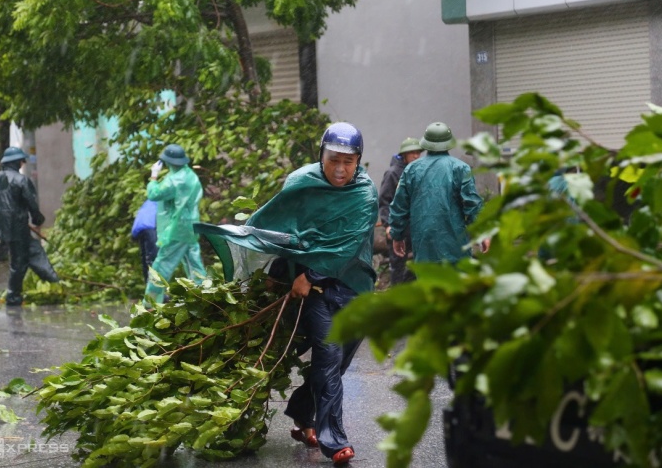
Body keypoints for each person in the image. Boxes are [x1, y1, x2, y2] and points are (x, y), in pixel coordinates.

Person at [192, 122, 378, 465]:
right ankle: (335, 441)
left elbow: (348, 246)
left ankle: (302, 414)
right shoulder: (302, 183)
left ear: (359, 162)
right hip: (319, 290)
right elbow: (283, 227)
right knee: (327, 357)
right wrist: (279, 272)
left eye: (348, 162)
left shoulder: (364, 196)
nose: (340, 169)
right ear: (320, 155)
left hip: (354, 287)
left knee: (338, 364)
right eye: (333, 160)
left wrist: (311, 272)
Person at [389, 122, 489, 264]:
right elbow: (472, 204)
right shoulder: (461, 169)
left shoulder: (411, 170)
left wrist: (397, 235)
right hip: (455, 244)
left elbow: (399, 206)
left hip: (423, 244)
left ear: (425, 143)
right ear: (449, 143)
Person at [0, 146, 59, 306]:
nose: (23, 164)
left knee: (34, 251)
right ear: (16, 162)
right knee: (19, 261)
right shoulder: (21, 180)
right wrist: (37, 219)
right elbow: (31, 203)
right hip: (18, 227)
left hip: (4, 229)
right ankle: (13, 297)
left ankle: (54, 280)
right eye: (21, 161)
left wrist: (0, 215)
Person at [144, 144, 206, 303]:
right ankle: (205, 296)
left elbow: (154, 194)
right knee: (194, 263)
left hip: (176, 228)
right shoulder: (192, 176)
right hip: (191, 226)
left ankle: (150, 302)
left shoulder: (173, 181)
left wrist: (154, 176)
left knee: (162, 264)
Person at [378, 137, 423, 285]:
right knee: (398, 268)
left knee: (417, 267)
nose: (416, 156)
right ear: (404, 154)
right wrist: (388, 225)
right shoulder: (392, 174)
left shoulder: (419, 172)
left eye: (418, 153)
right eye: (412, 153)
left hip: (416, 228)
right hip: (399, 228)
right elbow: (384, 201)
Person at [131, 199, 158, 283]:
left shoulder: (151, 200)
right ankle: (155, 289)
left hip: (138, 228)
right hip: (150, 226)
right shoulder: (166, 200)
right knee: (154, 258)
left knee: (146, 258)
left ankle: (149, 288)